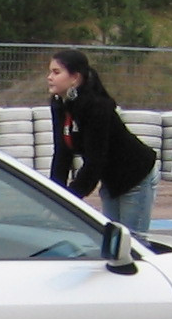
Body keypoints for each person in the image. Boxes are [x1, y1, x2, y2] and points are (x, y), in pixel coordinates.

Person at [46, 49, 159, 236]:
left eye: (56, 72)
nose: (49, 77)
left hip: (135, 176)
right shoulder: (59, 103)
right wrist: (54, 193)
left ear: (75, 78)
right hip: (110, 179)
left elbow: (95, 159)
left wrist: (71, 198)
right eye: (50, 71)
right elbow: (62, 153)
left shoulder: (96, 106)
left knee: (132, 242)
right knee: (110, 240)